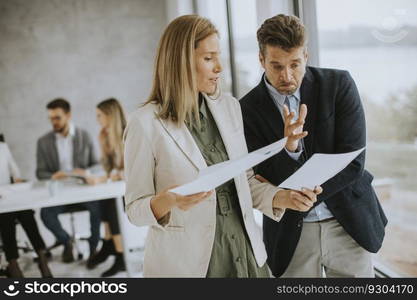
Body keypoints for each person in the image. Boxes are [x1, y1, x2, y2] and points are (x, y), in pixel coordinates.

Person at [123, 15, 322, 278]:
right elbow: (135, 210)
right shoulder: (145, 123)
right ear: (180, 61)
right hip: (194, 265)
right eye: (208, 58)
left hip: (247, 255)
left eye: (218, 56)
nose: (219, 67)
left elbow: (244, 182)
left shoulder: (229, 108)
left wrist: (285, 197)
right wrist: (169, 200)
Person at [240, 14, 388, 277]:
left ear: (306, 55)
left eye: (295, 64)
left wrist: (304, 193)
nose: (287, 75)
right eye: (276, 66)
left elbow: (353, 162)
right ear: (261, 60)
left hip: (348, 225)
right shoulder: (246, 110)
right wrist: (291, 149)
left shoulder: (339, 85)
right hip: (289, 233)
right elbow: (264, 175)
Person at [36, 98, 101, 263]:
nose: (53, 122)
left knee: (98, 207)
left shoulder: (84, 136)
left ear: (68, 115)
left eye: (57, 117)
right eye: (50, 118)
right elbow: (40, 172)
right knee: (45, 214)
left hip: (83, 190)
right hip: (59, 191)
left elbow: (97, 166)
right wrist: (53, 176)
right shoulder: (43, 142)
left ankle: (94, 248)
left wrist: (84, 172)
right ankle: (66, 241)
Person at [83, 98, 127, 277]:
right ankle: (109, 243)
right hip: (119, 188)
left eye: (99, 115)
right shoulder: (109, 136)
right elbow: (110, 168)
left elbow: (128, 171)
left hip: (135, 188)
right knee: (103, 200)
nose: (97, 120)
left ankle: (120, 255)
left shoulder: (127, 134)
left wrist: (106, 178)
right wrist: (103, 145)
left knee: (110, 204)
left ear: (110, 116)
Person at [0, 141, 52, 278]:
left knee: (26, 212)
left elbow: (13, 169)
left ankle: (42, 258)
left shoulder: (2, 146)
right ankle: (13, 264)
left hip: (7, 195)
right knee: (5, 217)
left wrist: (17, 179)